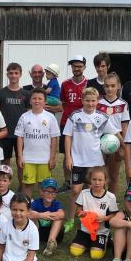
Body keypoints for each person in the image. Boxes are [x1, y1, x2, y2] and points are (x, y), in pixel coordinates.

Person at [64, 87, 122, 231]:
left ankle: (91, 218)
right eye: (87, 100)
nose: (90, 103)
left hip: (96, 162)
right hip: (77, 161)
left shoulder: (102, 117)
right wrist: (68, 157)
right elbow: (68, 137)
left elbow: (115, 133)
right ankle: (70, 219)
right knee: (75, 190)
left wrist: (124, 144)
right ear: (82, 100)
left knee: (93, 191)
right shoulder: (75, 116)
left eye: (93, 101)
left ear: (97, 101)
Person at [0, 193, 72, 261]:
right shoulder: (6, 225)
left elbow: (31, 256)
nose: (18, 213)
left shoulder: (32, 229)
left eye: (22, 210)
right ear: (10, 209)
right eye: (14, 209)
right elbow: (0, 248)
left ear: (28, 211)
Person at [15, 88, 60, 198]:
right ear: (30, 101)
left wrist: (52, 157)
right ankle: (27, 210)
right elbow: (20, 137)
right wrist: (20, 157)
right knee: (27, 186)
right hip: (28, 159)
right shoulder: (24, 117)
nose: (37, 101)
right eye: (34, 98)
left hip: (45, 159)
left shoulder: (50, 117)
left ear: (45, 101)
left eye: (40, 99)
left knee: (45, 187)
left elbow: (54, 138)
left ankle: (42, 212)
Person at [0, 62, 30, 189]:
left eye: (16, 73)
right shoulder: (1, 93)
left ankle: (22, 187)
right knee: (5, 162)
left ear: (20, 74)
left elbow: (29, 114)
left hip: (21, 134)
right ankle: (5, 186)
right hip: (5, 133)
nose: (13, 75)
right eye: (11, 73)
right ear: (7, 74)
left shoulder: (26, 94)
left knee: (21, 162)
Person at [69, 166, 118, 260]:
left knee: (95, 255)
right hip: (85, 231)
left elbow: (114, 215)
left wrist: (104, 218)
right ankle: (86, 241)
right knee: (74, 251)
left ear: (105, 181)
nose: (97, 182)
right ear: (89, 180)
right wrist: (81, 213)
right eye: (94, 179)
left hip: (100, 232)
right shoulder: (84, 193)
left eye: (100, 180)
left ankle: (106, 240)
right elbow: (78, 210)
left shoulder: (110, 197)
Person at [96, 73, 131, 194]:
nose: (109, 89)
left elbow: (124, 126)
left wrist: (124, 147)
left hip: (116, 142)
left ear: (119, 86)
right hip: (99, 142)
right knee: (99, 174)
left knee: (114, 175)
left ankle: (112, 202)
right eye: (106, 86)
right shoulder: (98, 103)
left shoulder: (123, 104)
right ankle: (98, 199)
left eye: (112, 85)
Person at [59, 55, 88, 191]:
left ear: (84, 67)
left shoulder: (88, 83)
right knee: (67, 153)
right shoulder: (65, 84)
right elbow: (64, 104)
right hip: (67, 122)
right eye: (74, 66)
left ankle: (85, 181)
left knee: (83, 151)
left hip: (84, 124)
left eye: (79, 66)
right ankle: (67, 181)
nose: (77, 68)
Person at [28, 178, 64, 256]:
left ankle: (50, 243)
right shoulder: (36, 203)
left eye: (53, 192)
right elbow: (28, 213)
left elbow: (61, 214)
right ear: (41, 192)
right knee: (32, 215)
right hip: (39, 232)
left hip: (53, 233)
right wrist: (42, 215)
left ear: (56, 193)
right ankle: (32, 239)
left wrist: (49, 215)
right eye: (47, 191)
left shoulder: (56, 204)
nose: (50, 194)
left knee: (59, 219)